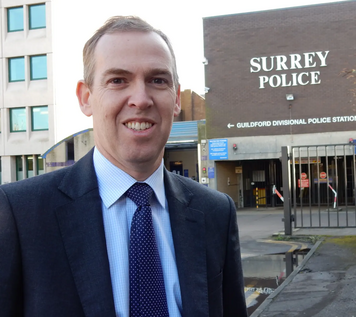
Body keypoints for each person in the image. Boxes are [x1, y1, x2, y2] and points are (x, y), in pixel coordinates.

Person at [0, 16, 248, 317]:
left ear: (176, 99)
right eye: (118, 80)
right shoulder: (20, 213)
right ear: (86, 97)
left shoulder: (216, 212)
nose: (141, 99)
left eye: (158, 80)